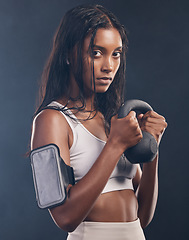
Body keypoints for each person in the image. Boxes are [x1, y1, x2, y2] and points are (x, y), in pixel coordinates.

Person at [30, 4, 167, 240]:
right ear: (67, 55)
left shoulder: (112, 119)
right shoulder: (51, 120)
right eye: (96, 53)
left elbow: (142, 217)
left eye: (116, 54)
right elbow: (65, 218)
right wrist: (115, 145)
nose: (109, 66)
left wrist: (151, 149)